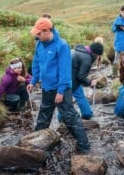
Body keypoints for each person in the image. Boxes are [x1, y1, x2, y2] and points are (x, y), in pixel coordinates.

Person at [26, 17, 90, 153]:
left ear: (47, 31)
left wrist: (61, 91)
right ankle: (36, 144)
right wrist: (33, 81)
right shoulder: (39, 43)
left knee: (69, 116)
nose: (36, 36)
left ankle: (84, 145)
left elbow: (65, 71)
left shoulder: (61, 45)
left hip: (61, 88)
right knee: (44, 114)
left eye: (38, 33)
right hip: (46, 87)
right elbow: (36, 63)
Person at [57, 42, 104, 120]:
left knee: (65, 100)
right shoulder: (87, 58)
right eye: (99, 55)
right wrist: (90, 82)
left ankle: (61, 118)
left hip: (62, 78)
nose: (98, 57)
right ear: (96, 54)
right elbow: (81, 77)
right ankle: (87, 114)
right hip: (71, 80)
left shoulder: (76, 50)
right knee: (79, 97)